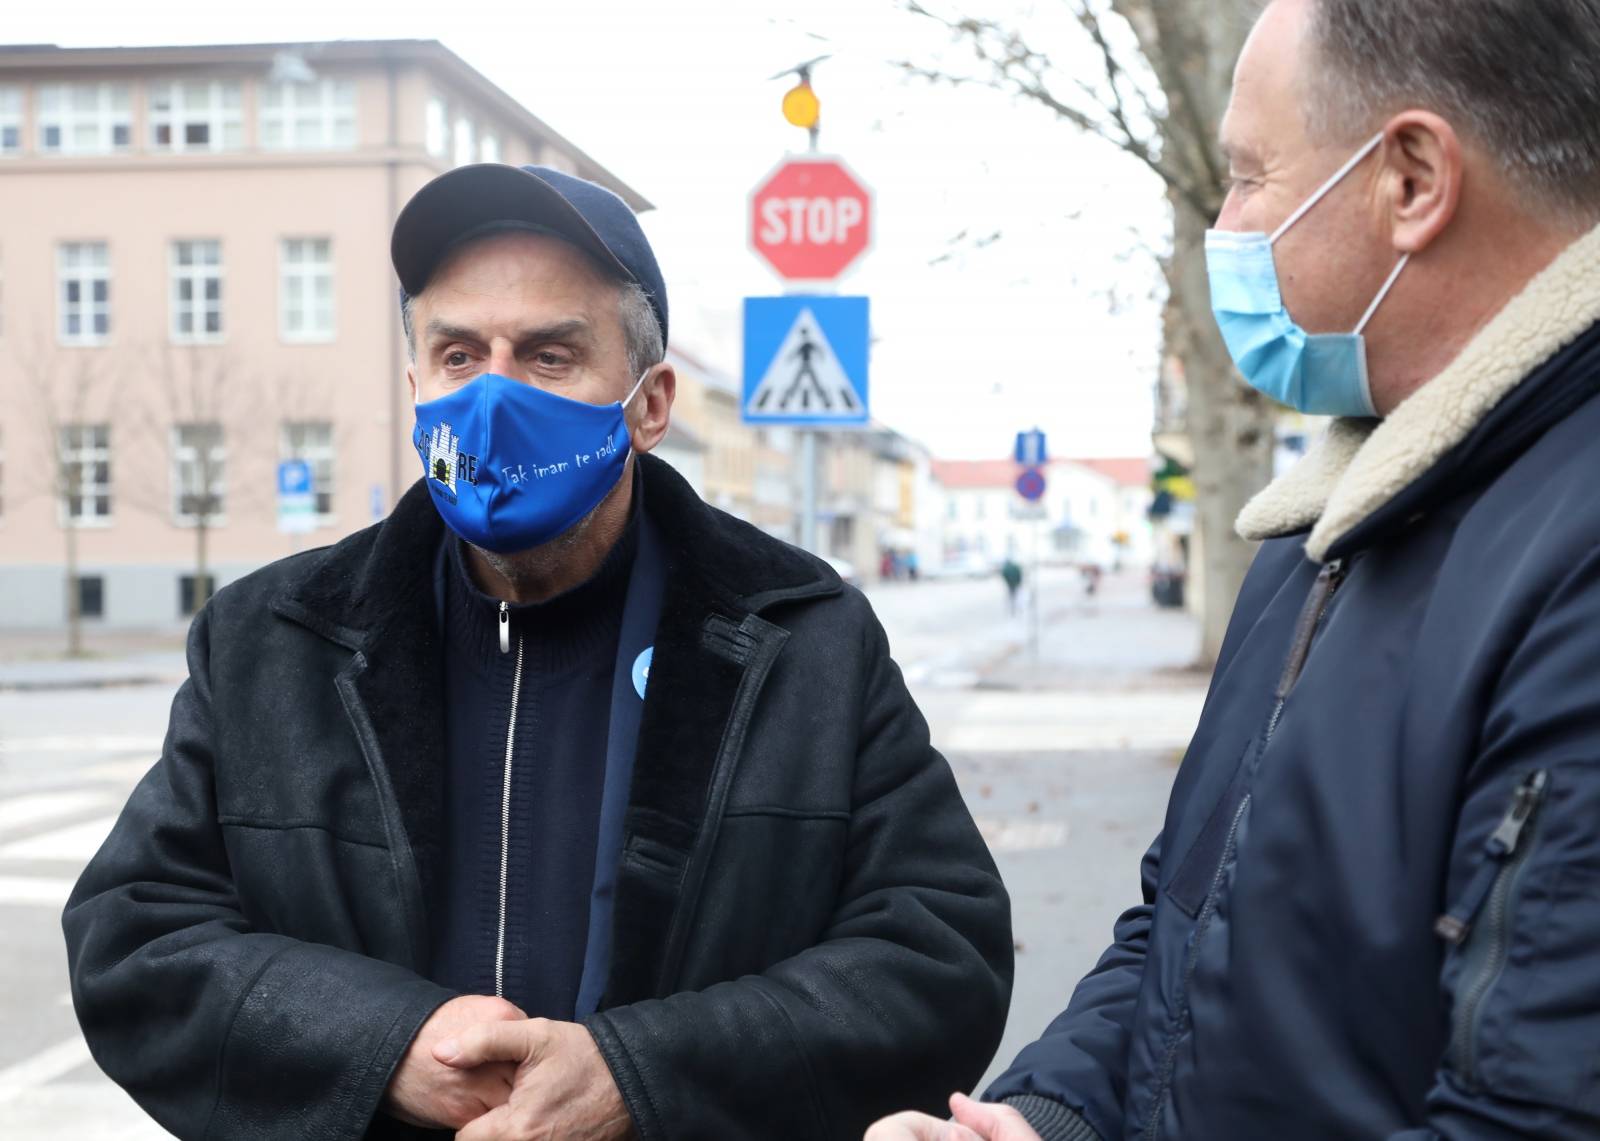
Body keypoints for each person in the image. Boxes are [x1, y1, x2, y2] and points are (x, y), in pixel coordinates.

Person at [64, 163, 1013, 1141]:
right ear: (415, 383)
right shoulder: (273, 640)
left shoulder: (803, 639)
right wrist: (388, 1045)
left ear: (651, 405)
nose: (494, 397)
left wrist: (637, 1079)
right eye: (459, 354)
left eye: (550, 355)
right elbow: (135, 938)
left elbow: (939, 959)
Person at [869, 0, 1600, 1136]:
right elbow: (1177, 924)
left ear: (1410, 179)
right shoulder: (1325, 524)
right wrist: (1050, 1118)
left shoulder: (1572, 556)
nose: (1227, 222)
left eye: (1249, 175)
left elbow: (1530, 1112)